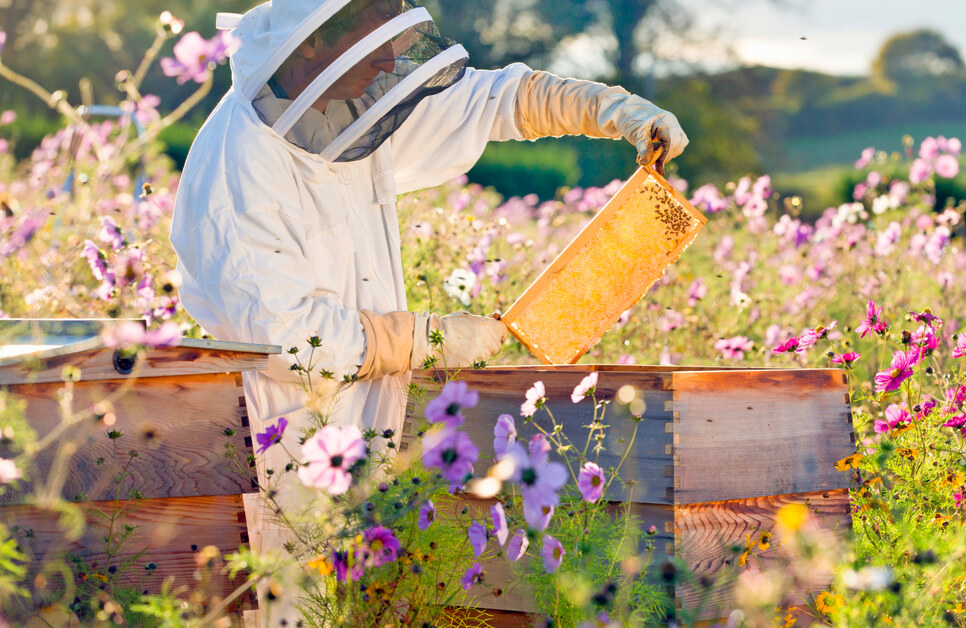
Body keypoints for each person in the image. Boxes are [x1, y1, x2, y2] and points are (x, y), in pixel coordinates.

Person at [168, 0, 687, 622]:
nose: (390, 60)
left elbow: (492, 101)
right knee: (294, 604)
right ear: (308, 44)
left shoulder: (345, 105)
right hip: (282, 433)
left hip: (369, 419)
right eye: (373, 39)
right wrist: (428, 341)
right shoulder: (237, 171)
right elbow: (285, 337)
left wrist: (614, 110)